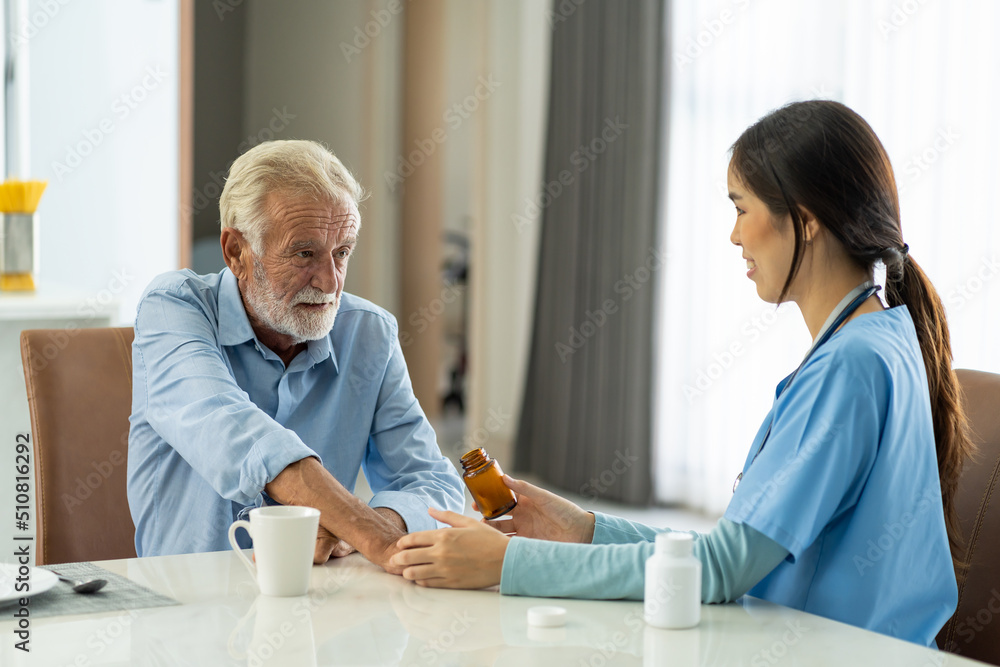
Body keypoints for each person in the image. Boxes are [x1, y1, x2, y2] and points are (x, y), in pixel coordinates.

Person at [390, 101, 973, 647]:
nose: (735, 235)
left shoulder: (850, 366)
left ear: (805, 219)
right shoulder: (881, 338)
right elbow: (732, 555)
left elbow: (718, 572)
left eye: (741, 208)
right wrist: (582, 528)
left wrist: (507, 564)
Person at [128, 140, 464, 569]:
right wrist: (369, 533)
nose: (329, 282)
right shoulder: (172, 307)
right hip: (184, 608)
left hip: (314, 606)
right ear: (236, 252)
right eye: (304, 253)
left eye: (341, 253)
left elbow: (434, 483)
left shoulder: (369, 333)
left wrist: (365, 525)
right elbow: (230, 428)